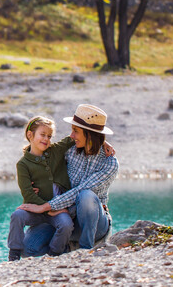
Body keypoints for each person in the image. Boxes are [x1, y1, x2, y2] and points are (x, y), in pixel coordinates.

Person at [16, 104, 118, 257]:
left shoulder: (109, 163)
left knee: (85, 196)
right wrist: (35, 182)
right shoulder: (69, 152)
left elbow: (79, 191)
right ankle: (65, 251)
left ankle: (85, 250)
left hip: (95, 224)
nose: (71, 135)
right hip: (65, 217)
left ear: (90, 134)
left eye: (76, 131)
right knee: (28, 248)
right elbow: (40, 157)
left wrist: (46, 207)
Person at [6, 116, 75, 261]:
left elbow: (74, 137)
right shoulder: (23, 164)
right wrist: (49, 208)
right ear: (30, 135)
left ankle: (53, 255)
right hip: (37, 210)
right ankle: (13, 256)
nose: (46, 139)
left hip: (57, 210)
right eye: (42, 135)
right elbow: (28, 194)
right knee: (17, 216)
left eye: (49, 136)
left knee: (66, 225)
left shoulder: (55, 151)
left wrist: (104, 142)